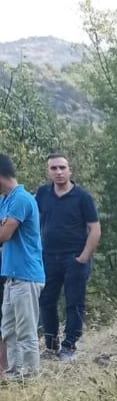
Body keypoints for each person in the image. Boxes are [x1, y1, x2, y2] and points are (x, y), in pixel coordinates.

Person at [35, 153, 101, 362]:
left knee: (74, 303)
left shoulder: (83, 196)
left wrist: (83, 256)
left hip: (74, 258)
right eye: (54, 168)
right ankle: (51, 346)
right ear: (48, 172)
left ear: (70, 170)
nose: (59, 172)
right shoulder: (42, 193)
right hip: (47, 257)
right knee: (46, 301)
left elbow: (95, 229)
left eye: (62, 168)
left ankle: (69, 346)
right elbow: (34, 222)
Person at [0, 154, 45, 382]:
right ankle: (14, 373)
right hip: (11, 276)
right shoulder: (5, 200)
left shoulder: (21, 199)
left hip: (26, 275)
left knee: (26, 331)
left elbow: (4, 233)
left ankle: (31, 378)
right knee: (8, 330)